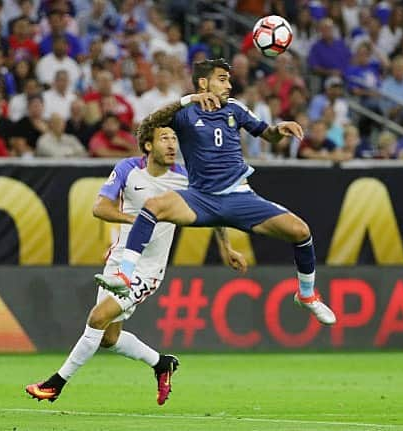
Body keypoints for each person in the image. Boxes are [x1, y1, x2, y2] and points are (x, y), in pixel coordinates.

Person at [96, 59, 336, 326]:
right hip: (200, 198)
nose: (229, 85)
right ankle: (125, 275)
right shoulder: (185, 112)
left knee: (301, 231)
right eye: (222, 79)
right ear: (203, 83)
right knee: (152, 206)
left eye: (229, 80)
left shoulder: (235, 108)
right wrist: (188, 100)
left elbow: (266, 134)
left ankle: (306, 294)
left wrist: (279, 130)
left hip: (239, 197)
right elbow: (146, 126)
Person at [26, 124, 246, 404]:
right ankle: (161, 363)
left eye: (174, 139)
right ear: (148, 145)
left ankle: (55, 384)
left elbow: (214, 210)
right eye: (164, 138)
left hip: (147, 270)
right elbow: (100, 207)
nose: (171, 145)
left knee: (97, 318)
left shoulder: (185, 178)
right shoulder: (127, 169)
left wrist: (226, 247)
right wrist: (140, 221)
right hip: (119, 261)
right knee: (107, 337)